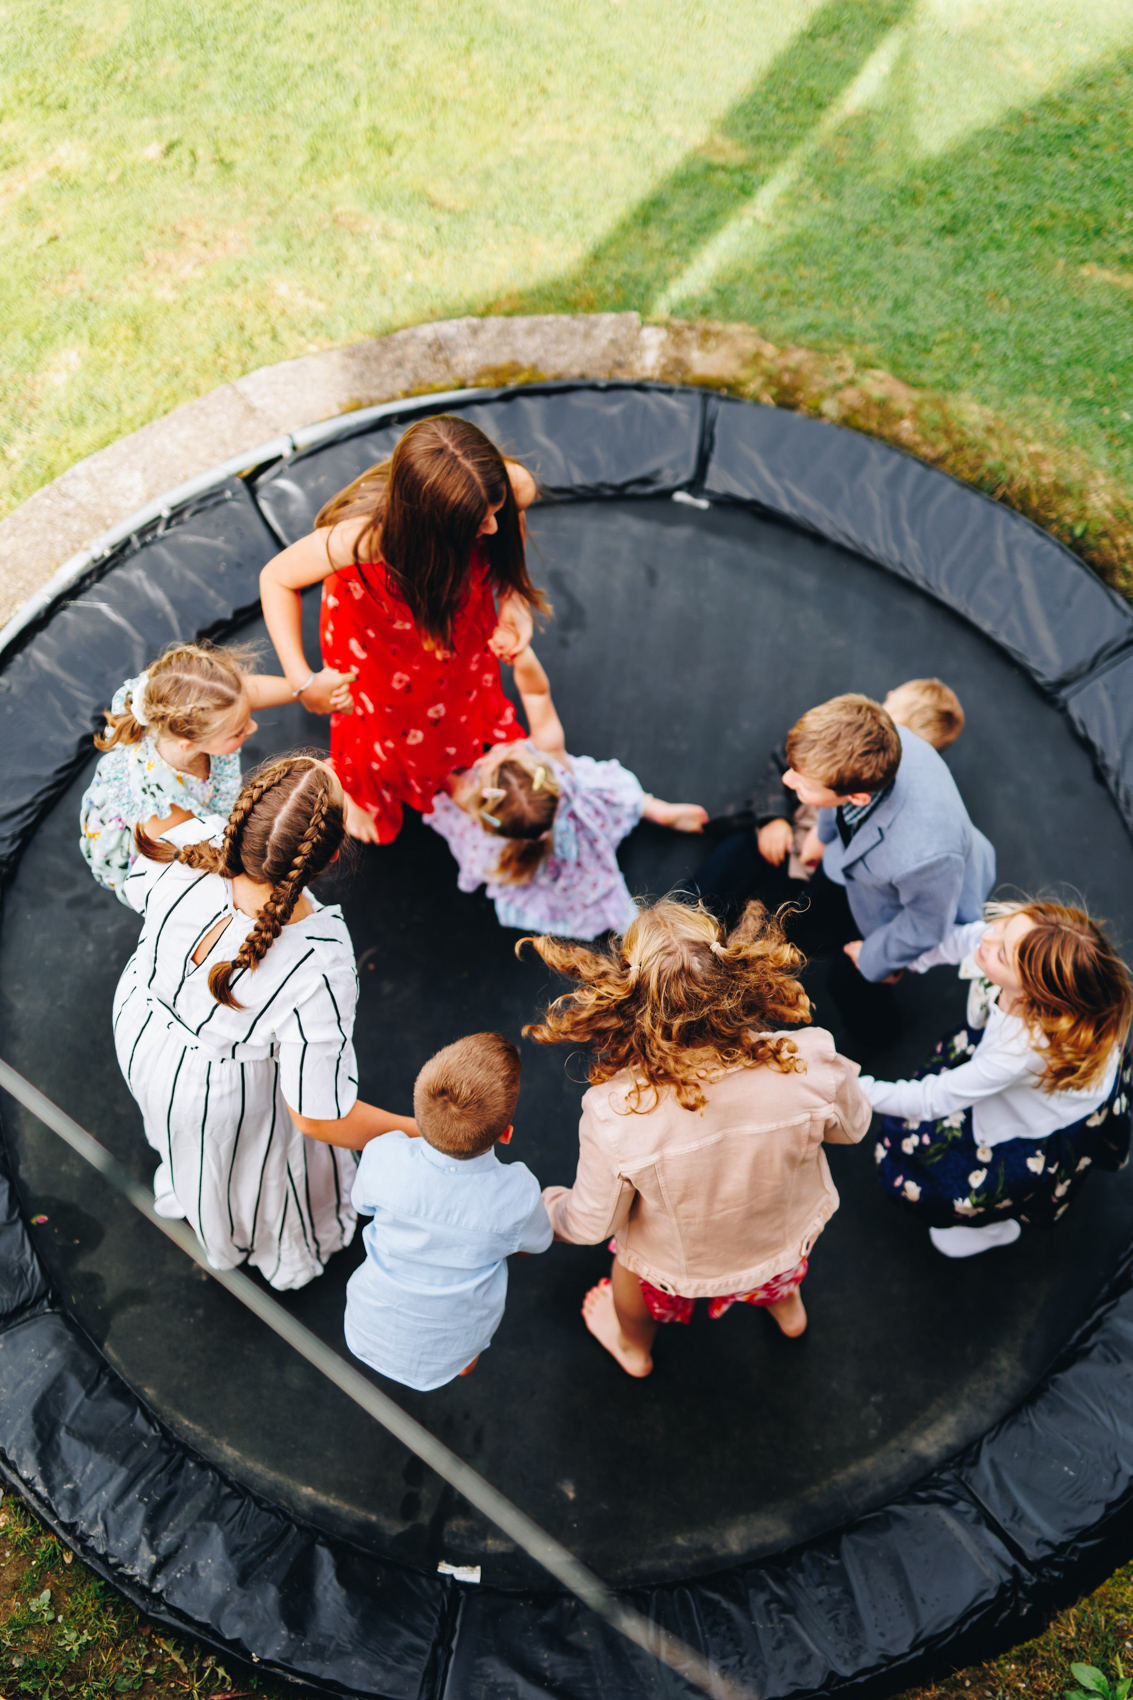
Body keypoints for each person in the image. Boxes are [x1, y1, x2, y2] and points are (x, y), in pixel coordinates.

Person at [521, 899, 871, 1377]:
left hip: (676, 1269)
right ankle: (786, 1308)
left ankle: (634, 1349)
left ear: (628, 1006)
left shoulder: (618, 1112)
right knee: (774, 1271)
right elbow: (853, 1128)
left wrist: (547, 1211)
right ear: (737, 973)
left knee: (630, 1280)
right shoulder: (806, 1062)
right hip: (779, 1243)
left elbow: (593, 1223)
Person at [114, 755, 416, 1290]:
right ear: (329, 856)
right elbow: (316, 1117)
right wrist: (423, 1132)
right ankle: (263, 1242)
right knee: (250, 1166)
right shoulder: (318, 957)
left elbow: (139, 887)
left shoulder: (188, 839)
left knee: (185, 1144)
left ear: (245, 815)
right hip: (218, 1089)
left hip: (141, 1026)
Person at [259, 415, 547, 844]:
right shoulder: (366, 537)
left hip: (452, 606)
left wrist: (513, 598)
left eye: (493, 513)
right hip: (380, 626)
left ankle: (442, 758)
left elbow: (509, 527)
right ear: (430, 523)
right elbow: (276, 578)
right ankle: (367, 785)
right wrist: (304, 682)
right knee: (388, 712)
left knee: (456, 685)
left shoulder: (513, 485)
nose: (490, 528)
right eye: (478, 522)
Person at [696, 692, 994, 1051]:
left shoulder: (924, 857)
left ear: (857, 798)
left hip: (900, 902)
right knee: (815, 910)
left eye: (803, 783)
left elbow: (927, 924)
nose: (788, 780)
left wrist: (874, 955)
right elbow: (834, 791)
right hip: (857, 865)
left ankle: (876, 1039)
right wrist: (823, 837)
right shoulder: (874, 746)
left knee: (849, 981)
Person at [866, 901, 1133, 1257]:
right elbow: (964, 938)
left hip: (1040, 1118)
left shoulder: (1018, 1052)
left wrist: (854, 1089)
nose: (988, 938)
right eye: (1003, 926)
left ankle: (993, 1227)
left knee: (981, 1182)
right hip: (1048, 1075)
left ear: (1034, 994)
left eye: (1002, 954)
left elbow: (931, 1100)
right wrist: (899, 959)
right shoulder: (1019, 954)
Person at [425, 645, 707, 939]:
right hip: (584, 825)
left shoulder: (469, 801)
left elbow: (439, 772)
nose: (495, 750)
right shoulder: (552, 757)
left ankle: (630, 924)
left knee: (588, 887)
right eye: (500, 754)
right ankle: (653, 807)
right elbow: (537, 694)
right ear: (541, 774)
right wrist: (521, 654)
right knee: (616, 793)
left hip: (532, 851)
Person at [344, 1033, 552, 1391]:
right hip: (454, 1344)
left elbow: (362, 1204)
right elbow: (537, 1244)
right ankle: (462, 1364)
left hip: (367, 1324)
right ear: (506, 1134)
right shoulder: (517, 1194)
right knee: (464, 1348)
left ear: (418, 1114)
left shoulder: (382, 1155)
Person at [80, 641, 352, 903]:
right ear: (189, 744)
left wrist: (305, 690)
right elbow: (206, 860)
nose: (253, 727)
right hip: (173, 850)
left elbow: (247, 692)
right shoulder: (164, 810)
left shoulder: (190, 705)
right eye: (238, 731)